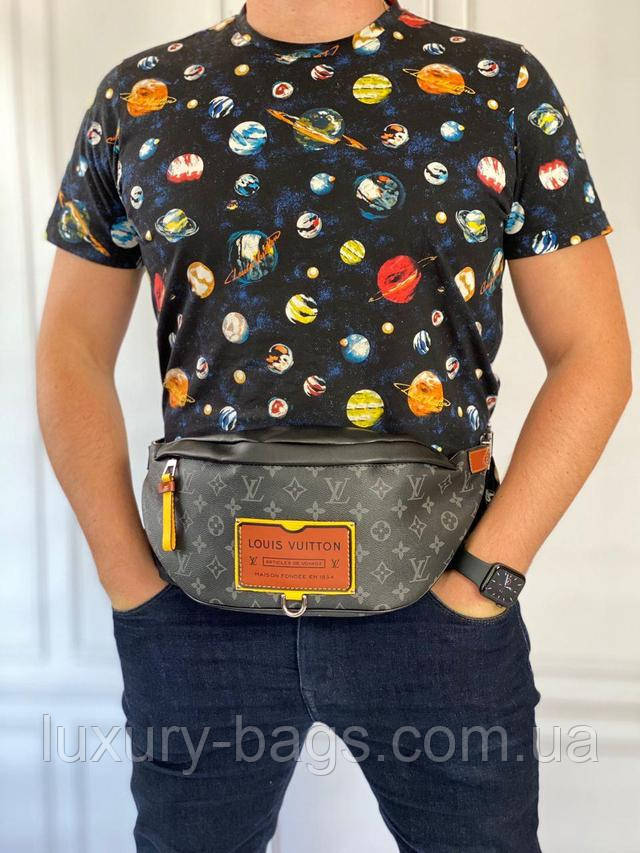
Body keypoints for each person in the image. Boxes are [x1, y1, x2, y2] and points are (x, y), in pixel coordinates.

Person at [36, 1, 630, 850]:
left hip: (439, 603)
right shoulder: (142, 96)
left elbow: (594, 355)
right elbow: (68, 348)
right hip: (194, 613)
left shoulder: (496, 85)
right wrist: (128, 579)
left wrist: (484, 580)